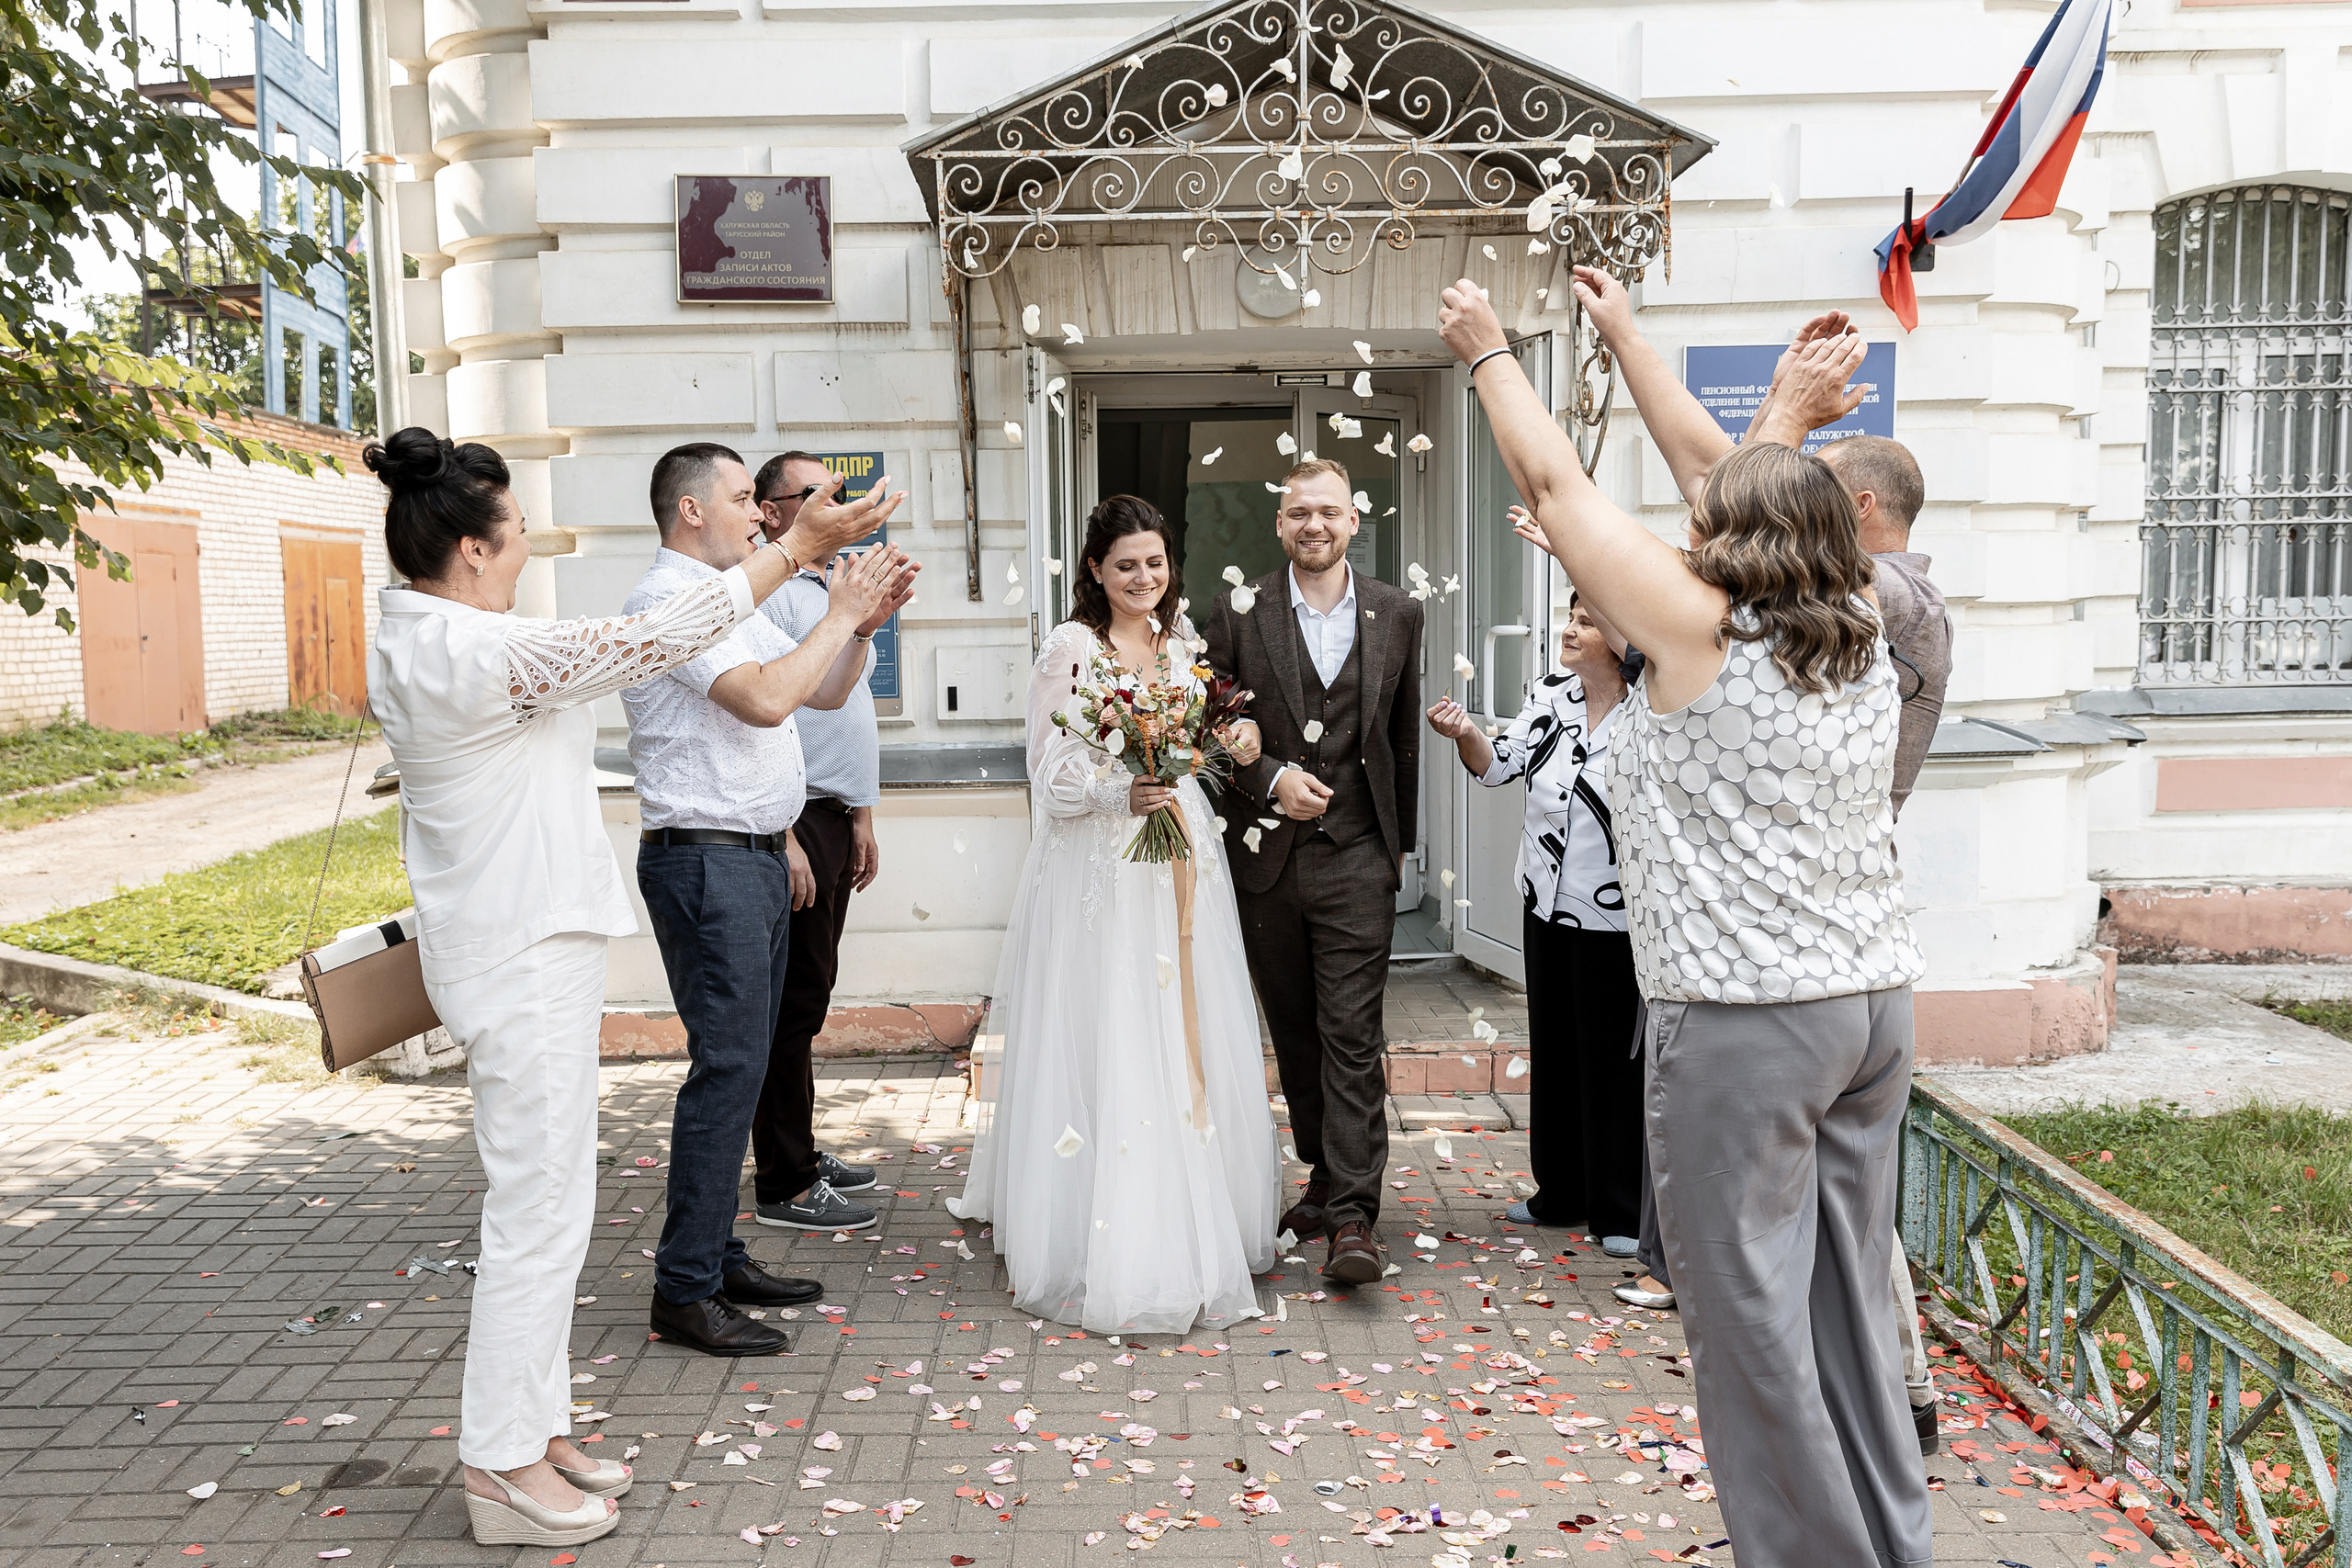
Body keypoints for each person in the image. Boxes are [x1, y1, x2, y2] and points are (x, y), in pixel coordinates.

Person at [1439, 273, 1934, 1568]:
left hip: (1748, 1024)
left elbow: (1559, 491)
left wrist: (1495, 354)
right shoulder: (1863, 621)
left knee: (1754, 1325)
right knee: (1843, 1301)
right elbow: (1733, 481)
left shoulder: (1702, 631)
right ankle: (1890, 1542)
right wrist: (1638, 344)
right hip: (1872, 1010)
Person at [362, 426, 890, 1547]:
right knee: (536, 1217)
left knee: (553, 1206)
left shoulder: (451, 633)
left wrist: (801, 571)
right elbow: (656, 638)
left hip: (525, 944)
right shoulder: (468, 653)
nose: (520, 557)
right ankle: (501, 1468)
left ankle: (538, 1430)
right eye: (511, 539)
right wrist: (796, 553)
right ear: (466, 549)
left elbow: (646, 639)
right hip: (518, 952)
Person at [946, 495, 1279, 1332]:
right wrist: (1114, 790)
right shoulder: (1072, 647)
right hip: (1103, 861)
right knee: (1117, 1029)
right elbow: (1047, 772)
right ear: (1095, 568)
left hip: (1179, 849)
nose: (1144, 577)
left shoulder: (1182, 644)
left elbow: (1198, 735)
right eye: (1126, 563)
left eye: (1156, 562)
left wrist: (1222, 745)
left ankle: (1199, 1212)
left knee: (1186, 1021)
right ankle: (1105, 1229)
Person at [624, 444, 914, 1357]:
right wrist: (835, 604)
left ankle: (715, 1253)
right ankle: (685, 1289)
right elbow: (762, 700)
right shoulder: (668, 601)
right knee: (728, 1070)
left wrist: (861, 624)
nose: (759, 514)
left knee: (744, 1068)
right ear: (690, 509)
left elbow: (818, 693)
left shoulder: (726, 598)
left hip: (746, 859)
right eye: (744, 498)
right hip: (705, 864)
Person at [1202, 458, 1425, 1285]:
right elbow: (1213, 726)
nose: (1314, 526)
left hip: (1360, 855)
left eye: (1328, 511)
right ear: (1281, 523)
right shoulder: (1238, 609)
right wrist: (1268, 782)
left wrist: (1399, 847)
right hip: (1266, 859)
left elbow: (1400, 736)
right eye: (1299, 513)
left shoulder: (1398, 612)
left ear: (1354, 520)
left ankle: (1356, 1218)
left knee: (1352, 1037)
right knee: (1295, 1034)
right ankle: (1325, 1175)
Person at [1426, 592, 1640, 1251]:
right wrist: (1466, 732)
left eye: (1584, 620)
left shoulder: (1655, 706)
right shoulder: (1552, 693)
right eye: (1568, 617)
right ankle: (1561, 1193)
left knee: (1613, 1062)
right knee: (1556, 1049)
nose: (1567, 629)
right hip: (1545, 900)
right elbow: (1498, 767)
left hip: (1621, 919)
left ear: (1624, 636)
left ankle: (1622, 1210)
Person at [750, 451, 890, 1235]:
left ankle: (797, 1151)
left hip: (832, 813)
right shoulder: (766, 594)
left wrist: (862, 812)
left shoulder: (826, 586)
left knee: (809, 996)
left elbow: (840, 701)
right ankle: (786, 1179)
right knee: (789, 1004)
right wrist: (784, 833)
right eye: (813, 493)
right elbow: (766, 717)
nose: (833, 502)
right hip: (793, 817)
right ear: (772, 512)